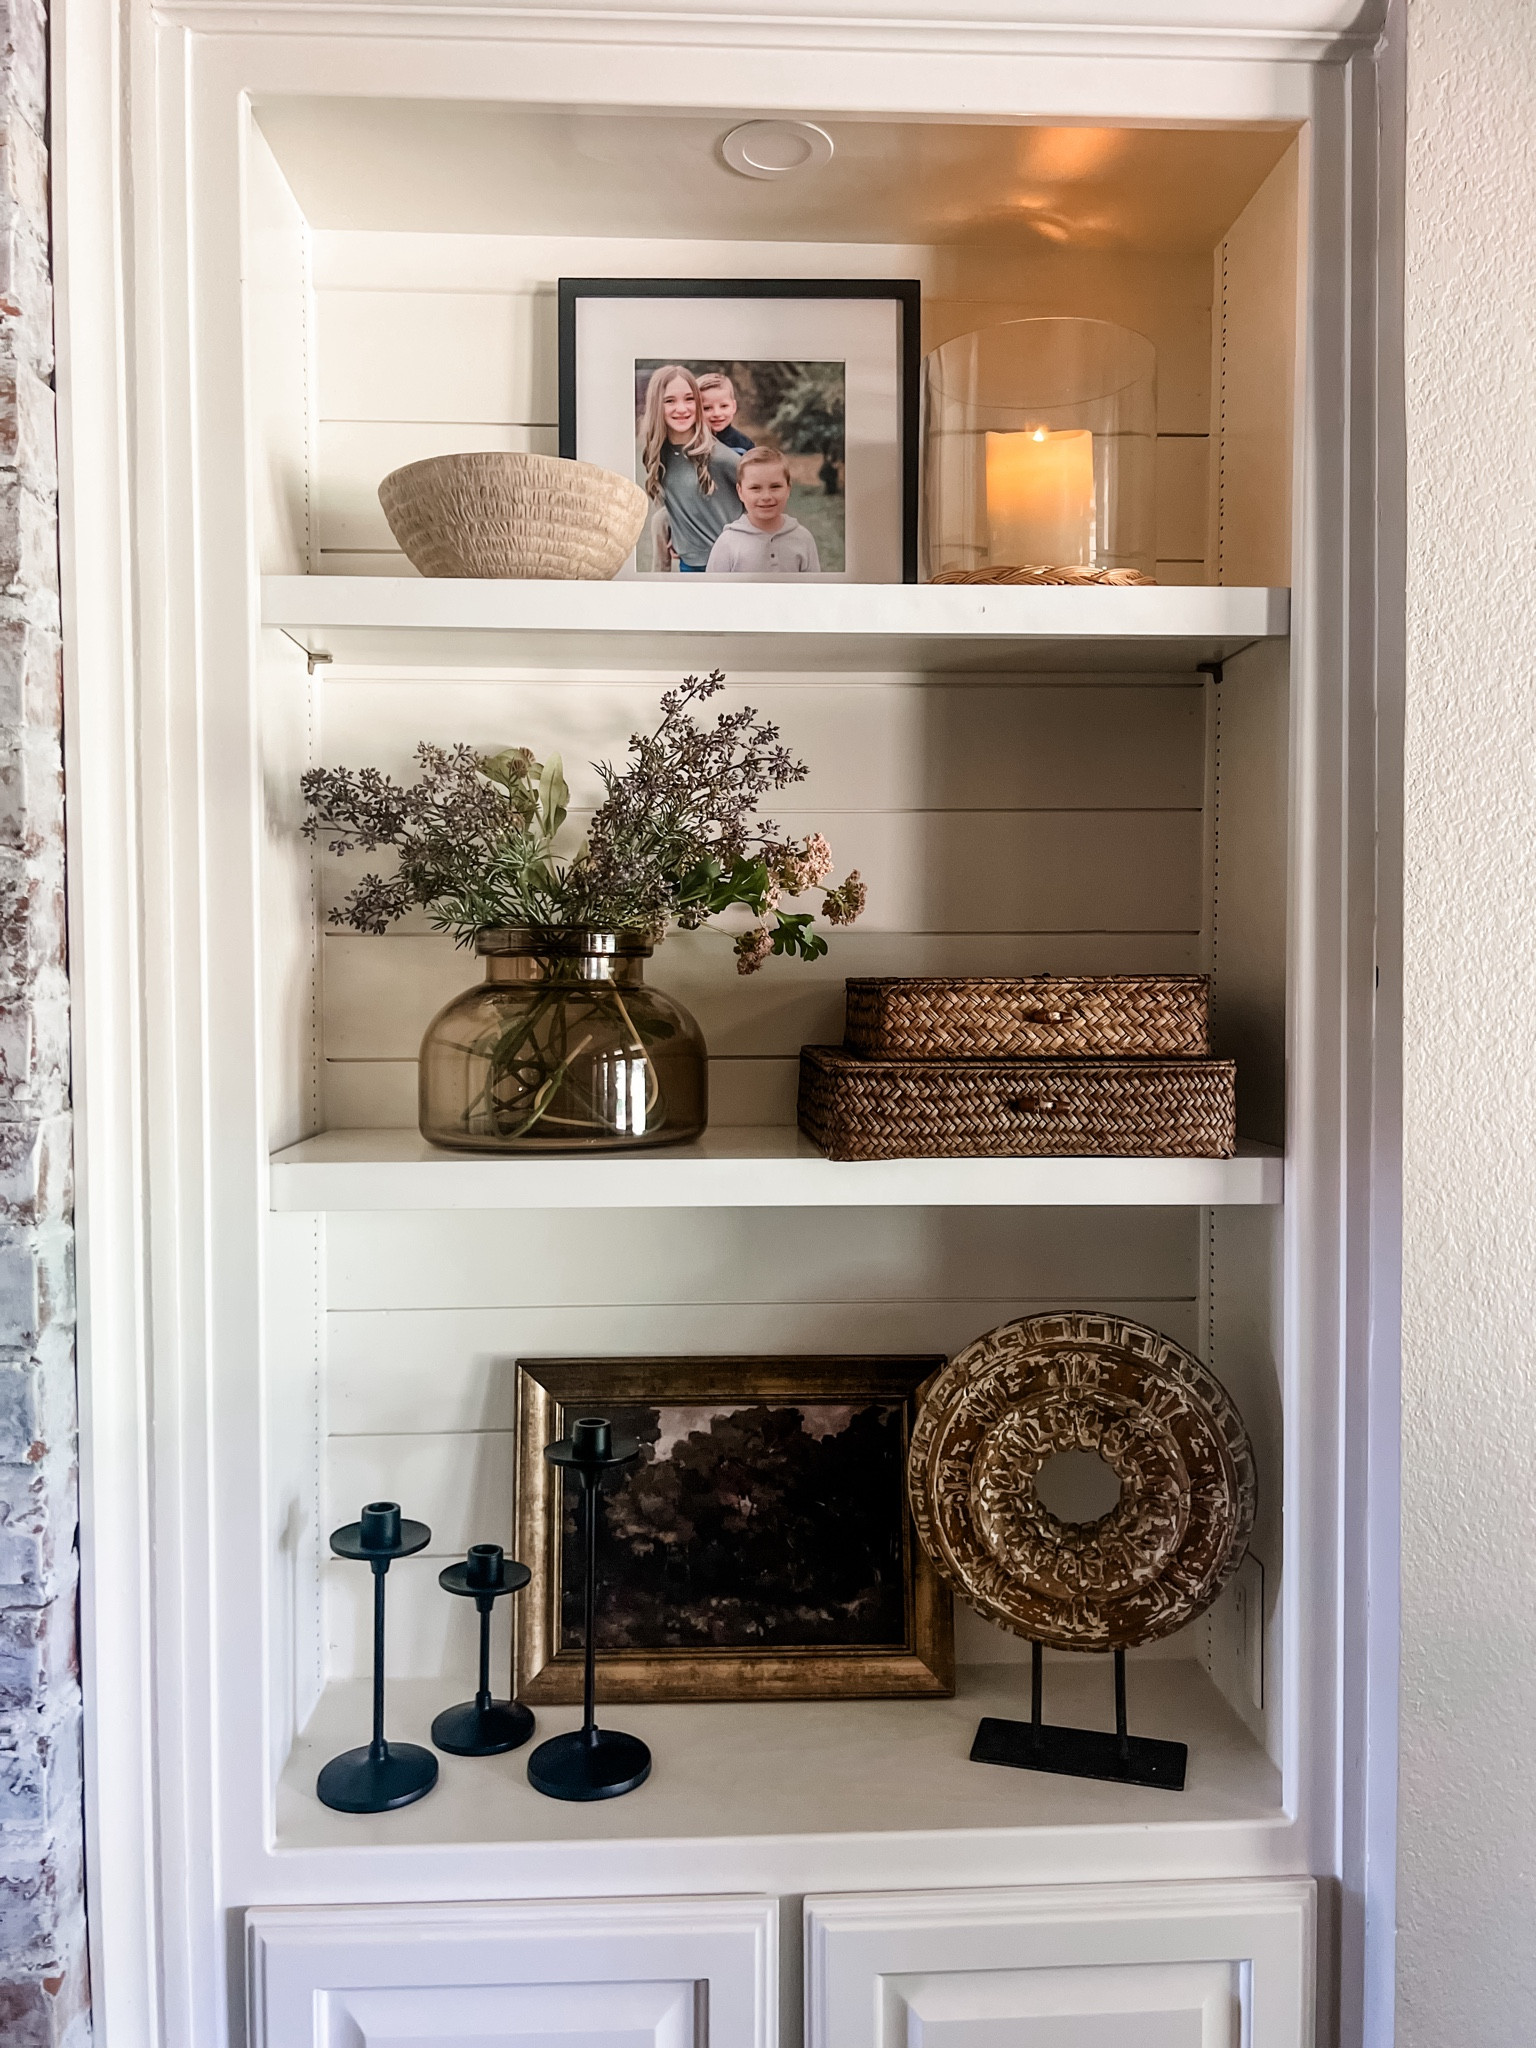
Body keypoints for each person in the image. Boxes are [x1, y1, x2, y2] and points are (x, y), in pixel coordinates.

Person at [637, 364, 742, 573]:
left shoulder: (721, 458)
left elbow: (761, 502)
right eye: (670, 401)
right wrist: (678, 532)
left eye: (689, 399)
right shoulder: (657, 454)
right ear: (657, 405)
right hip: (689, 566)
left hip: (730, 567)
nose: (682, 409)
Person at [705, 445, 822, 574]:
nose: (766, 497)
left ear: (788, 489)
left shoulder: (803, 538)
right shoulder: (727, 543)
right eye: (755, 488)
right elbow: (714, 592)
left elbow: (813, 591)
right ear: (740, 492)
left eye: (775, 486)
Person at [697, 371, 754, 453]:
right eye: (707, 408)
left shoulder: (744, 445)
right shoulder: (689, 442)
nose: (717, 413)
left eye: (724, 406)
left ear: (733, 407)